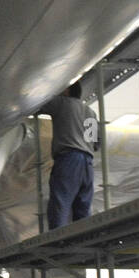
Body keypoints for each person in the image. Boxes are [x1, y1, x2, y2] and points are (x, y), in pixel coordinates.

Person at [40, 82, 98, 229]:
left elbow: (35, 104)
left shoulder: (63, 103)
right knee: (83, 207)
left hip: (70, 159)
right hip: (88, 162)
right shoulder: (91, 112)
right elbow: (97, 144)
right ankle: (85, 240)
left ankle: (57, 243)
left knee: (61, 202)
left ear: (66, 90)